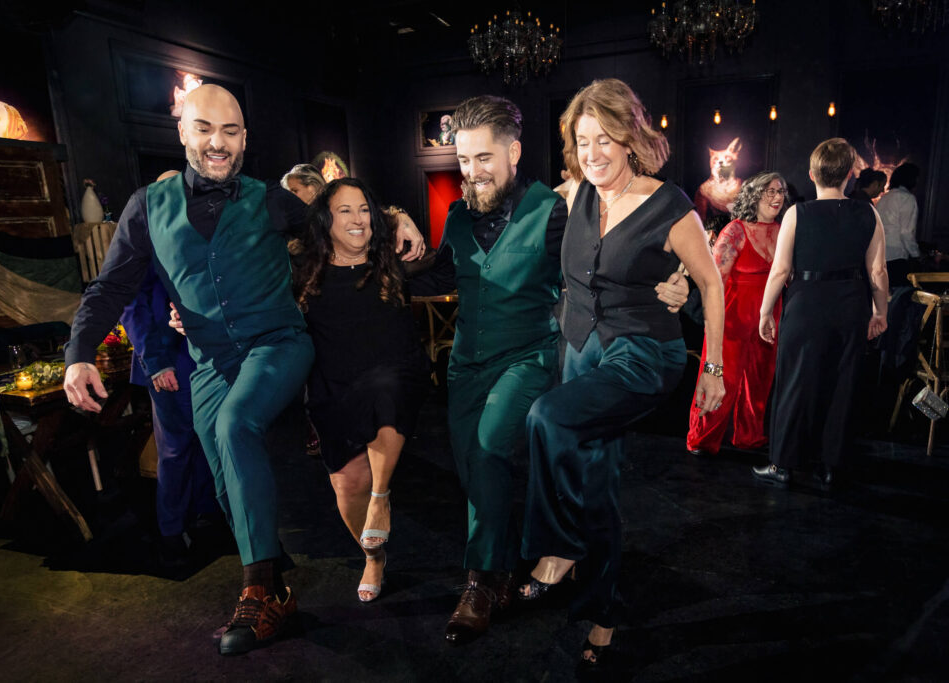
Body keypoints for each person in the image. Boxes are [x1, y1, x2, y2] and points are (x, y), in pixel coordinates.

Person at [63, 85, 423, 657]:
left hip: (278, 344)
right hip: (208, 360)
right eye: (205, 128)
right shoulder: (146, 207)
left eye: (230, 131)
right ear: (182, 132)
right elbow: (111, 286)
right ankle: (273, 577)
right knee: (222, 471)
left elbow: (343, 218)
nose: (218, 142)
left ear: (245, 139)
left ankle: (258, 592)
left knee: (236, 425)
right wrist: (80, 351)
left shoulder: (270, 200)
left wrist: (396, 216)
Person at [409, 94, 691, 646]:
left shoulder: (553, 207)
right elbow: (443, 276)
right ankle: (511, 561)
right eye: (463, 160)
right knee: (472, 468)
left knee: (489, 448)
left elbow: (597, 272)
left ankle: (483, 581)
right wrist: (385, 257)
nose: (472, 171)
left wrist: (672, 280)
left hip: (528, 357)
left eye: (483, 158)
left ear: (513, 153)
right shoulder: (458, 216)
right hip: (466, 363)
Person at [518, 78, 725, 672]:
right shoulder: (573, 193)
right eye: (583, 141)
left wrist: (712, 365)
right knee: (598, 482)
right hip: (580, 350)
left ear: (631, 139)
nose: (593, 153)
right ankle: (603, 614)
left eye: (605, 139)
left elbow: (710, 283)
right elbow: (503, 203)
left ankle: (558, 547)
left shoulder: (669, 204)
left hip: (642, 352)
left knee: (546, 418)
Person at [294, 178, 430, 603]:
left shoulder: (394, 261)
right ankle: (373, 556)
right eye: (345, 211)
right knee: (348, 486)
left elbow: (453, 264)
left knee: (384, 390)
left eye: (365, 209)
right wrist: (190, 318)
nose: (358, 219)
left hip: (396, 376)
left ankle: (381, 496)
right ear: (325, 220)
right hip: (333, 390)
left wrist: (402, 216)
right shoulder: (302, 271)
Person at [755, 138, 888, 489]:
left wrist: (765, 312)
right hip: (850, 305)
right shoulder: (869, 213)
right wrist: (881, 311)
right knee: (842, 385)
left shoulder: (797, 213)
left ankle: (783, 464)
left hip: (806, 304)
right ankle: (830, 467)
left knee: (794, 382)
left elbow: (780, 271)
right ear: (849, 175)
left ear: (812, 174)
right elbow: (877, 271)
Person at [119, 261, 217, 565]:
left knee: (209, 440)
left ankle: (206, 515)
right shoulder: (143, 239)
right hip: (168, 356)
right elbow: (131, 302)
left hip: (208, 353)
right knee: (176, 447)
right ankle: (172, 531)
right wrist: (156, 361)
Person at [687, 172, 787, 456]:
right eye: (770, 191)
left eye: (781, 191)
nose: (777, 197)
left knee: (760, 379)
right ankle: (701, 438)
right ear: (754, 195)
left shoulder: (784, 230)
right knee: (721, 377)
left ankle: (749, 436)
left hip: (769, 315)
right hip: (733, 316)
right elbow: (714, 282)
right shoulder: (735, 230)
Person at [876, 162, 921, 287]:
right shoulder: (907, 198)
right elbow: (907, 232)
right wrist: (916, 254)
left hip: (880, 254)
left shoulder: (884, 197)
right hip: (897, 256)